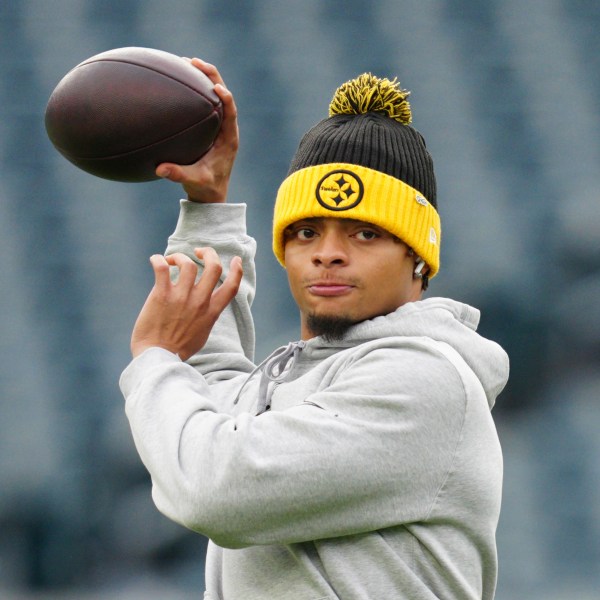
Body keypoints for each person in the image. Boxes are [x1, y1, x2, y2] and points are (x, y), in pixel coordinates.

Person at [120, 58, 509, 600]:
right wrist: (209, 208)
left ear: (419, 258)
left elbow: (216, 489)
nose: (328, 254)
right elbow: (205, 386)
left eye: (365, 234)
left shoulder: (423, 380)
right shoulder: (302, 380)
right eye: (305, 231)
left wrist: (153, 358)